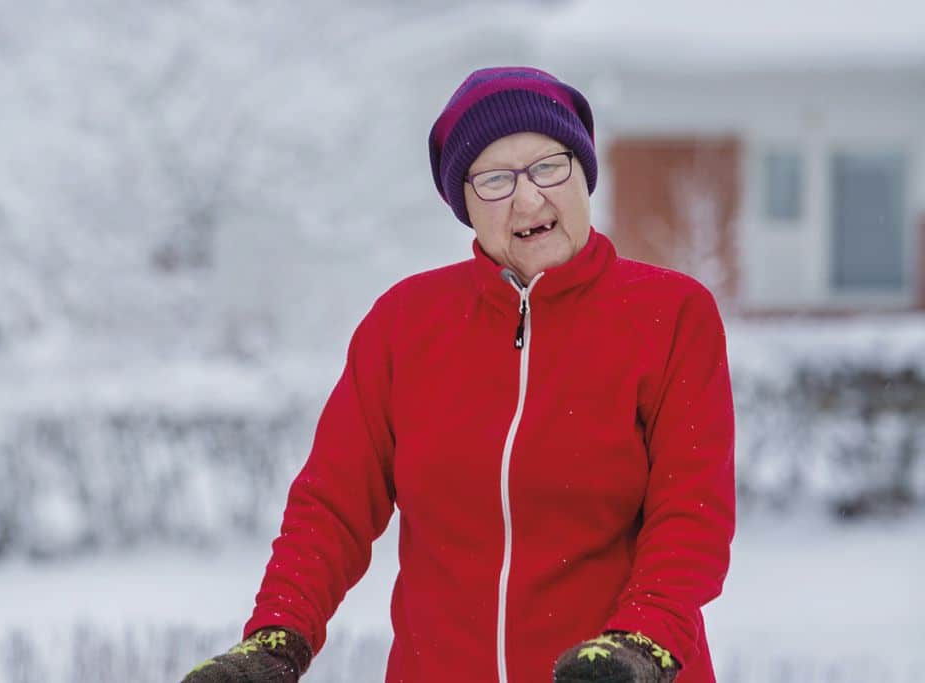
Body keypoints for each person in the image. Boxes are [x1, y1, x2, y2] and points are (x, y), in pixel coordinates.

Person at [182, 66, 735, 683]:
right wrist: (277, 640)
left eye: (549, 166)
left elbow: (692, 513)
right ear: (465, 205)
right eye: (495, 181)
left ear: (583, 173)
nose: (528, 200)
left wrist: (642, 642)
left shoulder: (670, 314)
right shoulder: (406, 323)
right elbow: (331, 507)